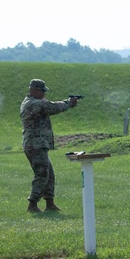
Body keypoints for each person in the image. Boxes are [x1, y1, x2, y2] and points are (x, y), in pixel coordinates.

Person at [20, 79, 78, 212]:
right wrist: (69, 103)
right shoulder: (33, 104)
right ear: (34, 90)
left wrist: (67, 102)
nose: (44, 94)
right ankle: (33, 204)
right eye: (42, 91)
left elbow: (49, 105)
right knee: (42, 174)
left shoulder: (33, 102)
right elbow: (53, 107)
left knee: (49, 174)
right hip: (35, 144)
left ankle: (50, 203)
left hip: (37, 144)